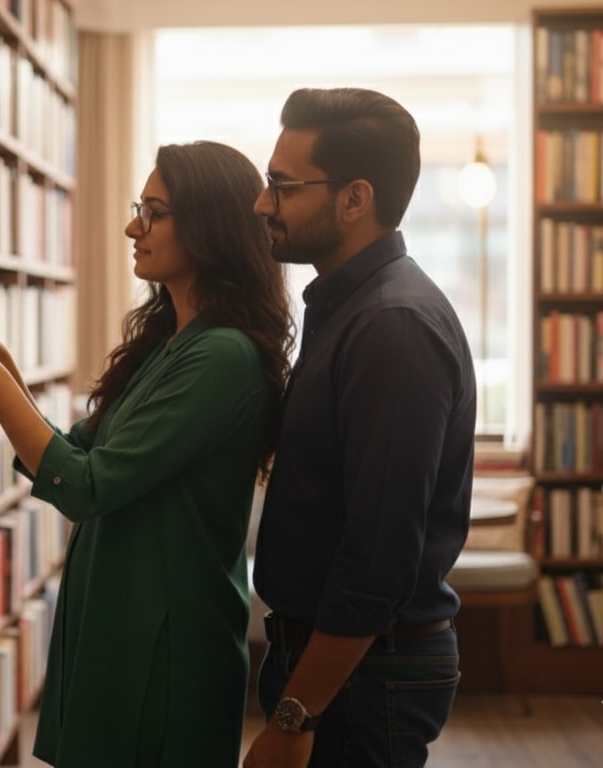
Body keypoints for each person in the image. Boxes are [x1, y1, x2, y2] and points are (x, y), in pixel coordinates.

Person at [0, 141, 295, 767]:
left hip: (165, 639)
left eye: (156, 212)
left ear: (210, 226)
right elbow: (77, 450)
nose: (133, 226)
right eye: (142, 207)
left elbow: (84, 485)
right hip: (123, 619)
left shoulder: (222, 356)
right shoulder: (176, 342)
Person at [244, 87, 477, 768]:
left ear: (354, 200)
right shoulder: (350, 308)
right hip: (337, 662)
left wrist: (295, 714)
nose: (263, 204)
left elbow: (379, 556)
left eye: (282, 187)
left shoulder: (391, 327)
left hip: (364, 672)